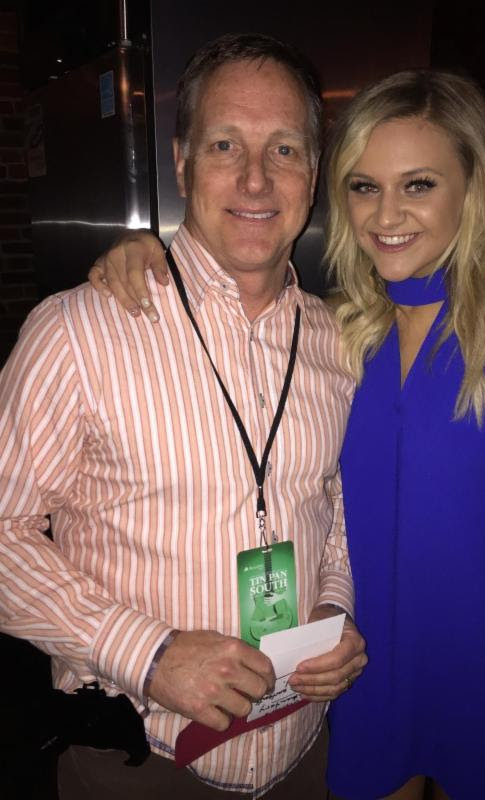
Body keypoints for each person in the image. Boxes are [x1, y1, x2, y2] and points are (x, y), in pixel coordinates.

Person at [91, 68, 485, 800]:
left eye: (418, 184)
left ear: (474, 186)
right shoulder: (342, 333)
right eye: (364, 186)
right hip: (362, 671)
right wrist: (144, 251)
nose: (385, 215)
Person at [0, 33, 367, 800]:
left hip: (305, 755)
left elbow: (330, 501)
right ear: (180, 161)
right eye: (225, 143)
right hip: (141, 767)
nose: (256, 178)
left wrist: (333, 609)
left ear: (313, 171)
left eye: (286, 149)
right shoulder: (78, 332)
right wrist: (150, 652)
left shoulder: (336, 342)